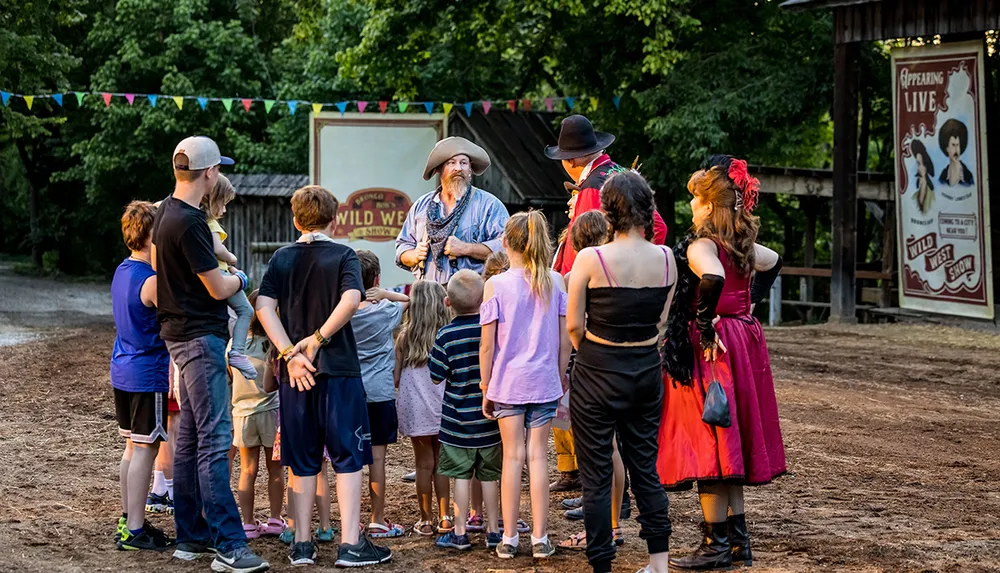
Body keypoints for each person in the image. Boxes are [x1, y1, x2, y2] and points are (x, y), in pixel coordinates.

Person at [658, 156, 786, 571]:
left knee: (709, 442)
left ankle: (715, 545)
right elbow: (774, 261)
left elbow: (710, 277)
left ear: (710, 207)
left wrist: (705, 322)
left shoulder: (703, 245)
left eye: (694, 201)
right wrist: (746, 308)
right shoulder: (744, 244)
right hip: (743, 340)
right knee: (727, 445)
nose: (691, 208)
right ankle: (737, 542)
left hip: (713, 348)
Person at [255, 184, 391, 568]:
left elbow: (264, 305)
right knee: (348, 456)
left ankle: (301, 544)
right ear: (335, 220)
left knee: (302, 458)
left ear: (295, 219)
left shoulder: (281, 258)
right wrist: (318, 339)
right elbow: (353, 298)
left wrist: (289, 353)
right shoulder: (344, 254)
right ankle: (350, 544)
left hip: (294, 374)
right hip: (339, 370)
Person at [151, 136, 268, 572]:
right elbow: (217, 287)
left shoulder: (164, 210)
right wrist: (241, 279)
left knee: (194, 438)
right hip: (200, 336)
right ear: (210, 173)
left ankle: (191, 536)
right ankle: (230, 545)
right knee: (216, 441)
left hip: (180, 334)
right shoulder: (191, 222)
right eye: (219, 168)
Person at [545, 113, 668, 494]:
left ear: (569, 159)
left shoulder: (594, 188)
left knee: (571, 377)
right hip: (620, 293)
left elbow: (582, 247)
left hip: (594, 294)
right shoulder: (616, 176)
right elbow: (658, 227)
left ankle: (584, 472)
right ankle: (576, 469)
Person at [565, 172, 676, 573]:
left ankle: (602, 566)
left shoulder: (590, 259)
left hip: (597, 369)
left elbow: (575, 325)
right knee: (645, 466)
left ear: (607, 211)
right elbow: (661, 323)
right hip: (646, 369)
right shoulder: (667, 259)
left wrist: (592, 354)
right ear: (647, 209)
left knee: (595, 474)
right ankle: (659, 563)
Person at [480, 211, 571, 559]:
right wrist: (559, 376)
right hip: (544, 382)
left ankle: (508, 537)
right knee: (538, 457)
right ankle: (540, 537)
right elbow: (565, 340)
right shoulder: (556, 280)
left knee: (512, 458)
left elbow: (487, 344)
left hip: (507, 384)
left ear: (505, 244)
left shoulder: (496, 284)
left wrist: (485, 385)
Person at [558, 211, 626, 552]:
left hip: (589, 364)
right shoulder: (624, 269)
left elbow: (572, 328)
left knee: (593, 452)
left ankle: (596, 530)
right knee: (615, 449)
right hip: (625, 365)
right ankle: (613, 524)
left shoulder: (575, 276)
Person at [111, 200, 174, 551]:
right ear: (151, 236)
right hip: (147, 373)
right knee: (146, 449)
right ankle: (135, 530)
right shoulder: (151, 282)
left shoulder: (123, 270)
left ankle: (129, 517)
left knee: (131, 447)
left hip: (122, 368)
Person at [431, 270, 503, 552]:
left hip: (456, 421)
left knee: (460, 476)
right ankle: (494, 531)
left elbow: (436, 375)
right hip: (489, 421)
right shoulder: (492, 330)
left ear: (448, 302)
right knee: (489, 477)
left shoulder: (446, 334)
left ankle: (459, 533)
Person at [352, 249, 410, 539]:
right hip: (380, 393)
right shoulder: (385, 310)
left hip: (350, 394)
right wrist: (385, 293)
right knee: (377, 460)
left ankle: (350, 521)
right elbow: (409, 301)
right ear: (375, 279)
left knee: (348, 461)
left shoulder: (343, 314)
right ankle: (377, 518)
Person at [396, 137, 510, 283]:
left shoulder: (489, 205)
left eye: (464, 163)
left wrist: (466, 248)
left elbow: (507, 248)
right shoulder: (421, 206)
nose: (458, 168)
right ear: (439, 169)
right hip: (427, 295)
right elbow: (402, 248)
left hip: (472, 297)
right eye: (451, 163)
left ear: (470, 169)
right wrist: (414, 255)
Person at [394, 280, 452, 536]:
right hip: (444, 407)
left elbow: (395, 378)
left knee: (423, 465)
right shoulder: (448, 335)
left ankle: (425, 519)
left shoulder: (405, 338)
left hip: (416, 409)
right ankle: (446, 517)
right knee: (442, 463)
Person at [231, 290, 285, 540]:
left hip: (242, 414)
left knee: (247, 470)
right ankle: (275, 519)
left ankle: (249, 523)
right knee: (275, 470)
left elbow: (229, 374)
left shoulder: (234, 343)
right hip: (271, 412)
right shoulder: (273, 345)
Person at [202, 174, 257, 380]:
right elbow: (218, 249)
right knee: (246, 310)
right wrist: (231, 257)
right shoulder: (211, 224)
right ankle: (237, 352)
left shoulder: (196, 221)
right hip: (221, 275)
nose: (224, 210)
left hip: (221, 272)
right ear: (213, 199)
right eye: (223, 204)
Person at [937, 118, 974, 187]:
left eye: (958, 145)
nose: (956, 150)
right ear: (947, 148)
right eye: (953, 145)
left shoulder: (968, 176)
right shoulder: (943, 177)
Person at [911, 140, 935, 214]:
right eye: (917, 163)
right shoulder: (914, 196)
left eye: (919, 164)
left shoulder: (932, 196)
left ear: (925, 166)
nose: (918, 168)